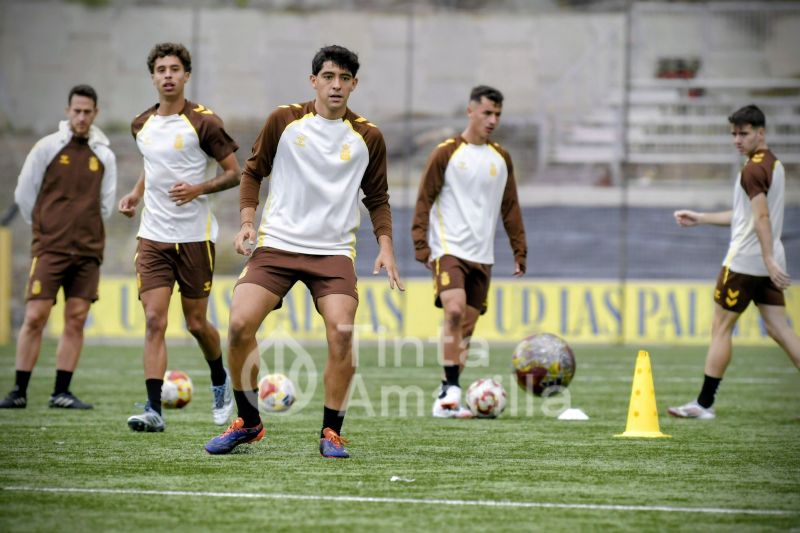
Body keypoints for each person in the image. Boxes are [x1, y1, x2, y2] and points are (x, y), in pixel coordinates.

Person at [203, 45, 403, 457]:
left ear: (354, 84)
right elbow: (252, 173)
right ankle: (249, 422)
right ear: (314, 81)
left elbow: (378, 198)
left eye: (344, 78)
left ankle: (331, 432)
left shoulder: (368, 136)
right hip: (277, 245)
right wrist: (247, 223)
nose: (336, 85)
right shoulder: (284, 120)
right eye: (328, 77)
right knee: (238, 325)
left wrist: (386, 247)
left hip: (333, 253)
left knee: (341, 334)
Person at [118, 43, 240, 432]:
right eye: (161, 70)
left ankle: (219, 379)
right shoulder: (141, 124)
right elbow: (153, 163)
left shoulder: (205, 123)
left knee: (196, 323)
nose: (168, 75)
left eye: (174, 69)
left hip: (194, 238)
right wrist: (136, 193)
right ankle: (154, 409)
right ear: (152, 77)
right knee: (155, 320)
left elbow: (234, 173)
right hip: (153, 237)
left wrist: (198, 189)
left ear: (186, 75)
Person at [668, 104, 800, 420]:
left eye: (743, 133)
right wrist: (701, 218)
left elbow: (762, 217)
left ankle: (703, 404)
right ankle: (703, 404)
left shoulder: (752, 170)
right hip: (767, 260)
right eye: (734, 134)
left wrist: (766, 258)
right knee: (780, 330)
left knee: (721, 327)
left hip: (744, 263)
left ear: (760, 133)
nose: (737, 140)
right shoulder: (773, 165)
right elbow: (746, 216)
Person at [411, 85, 527, 418]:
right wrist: (421, 245)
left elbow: (510, 206)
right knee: (454, 310)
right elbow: (424, 199)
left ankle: (446, 396)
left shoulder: (501, 158)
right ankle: (452, 388)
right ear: (470, 111)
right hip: (448, 249)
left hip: (482, 255)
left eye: (497, 115)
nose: (492, 120)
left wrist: (519, 249)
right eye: (487, 113)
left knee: (467, 327)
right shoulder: (446, 153)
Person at [1, 85, 117, 410]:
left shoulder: (104, 155)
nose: (81, 117)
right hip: (50, 248)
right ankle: (19, 390)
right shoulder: (47, 147)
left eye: (87, 112)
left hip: (88, 251)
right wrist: (46, 227)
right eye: (76, 111)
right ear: (68, 111)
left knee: (76, 319)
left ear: (95, 114)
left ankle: (61, 392)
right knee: (35, 316)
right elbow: (24, 194)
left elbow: (106, 204)